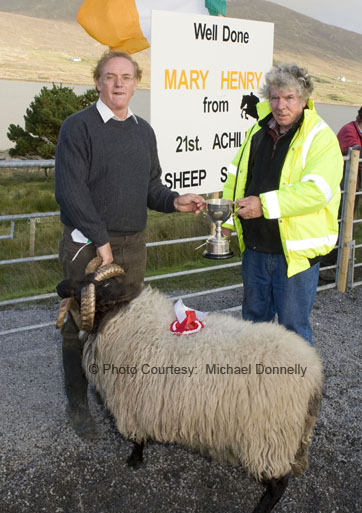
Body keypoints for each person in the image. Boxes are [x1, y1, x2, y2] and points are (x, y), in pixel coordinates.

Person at [55, 51, 204, 439]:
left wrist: (174, 201)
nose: (118, 83)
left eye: (126, 76)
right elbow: (71, 192)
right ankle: (78, 404)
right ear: (97, 82)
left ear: (136, 82)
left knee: (124, 324)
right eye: (109, 76)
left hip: (132, 246)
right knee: (80, 323)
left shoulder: (143, 132)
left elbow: (150, 187)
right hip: (87, 247)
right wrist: (101, 242)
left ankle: (114, 397)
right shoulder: (78, 127)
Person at [222, 63, 343, 345]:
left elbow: (317, 191)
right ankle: (255, 386)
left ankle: (300, 389)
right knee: (252, 327)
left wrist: (263, 205)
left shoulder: (320, 137)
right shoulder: (257, 131)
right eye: (275, 97)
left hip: (295, 256)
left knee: (293, 332)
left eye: (289, 98)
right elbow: (236, 180)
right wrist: (226, 224)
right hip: (255, 248)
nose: (281, 105)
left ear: (303, 99)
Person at [319, 106, 362, 280]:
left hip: (355, 183)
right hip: (343, 183)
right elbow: (355, 151)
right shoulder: (348, 131)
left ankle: (342, 264)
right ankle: (327, 267)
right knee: (341, 223)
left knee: (348, 223)